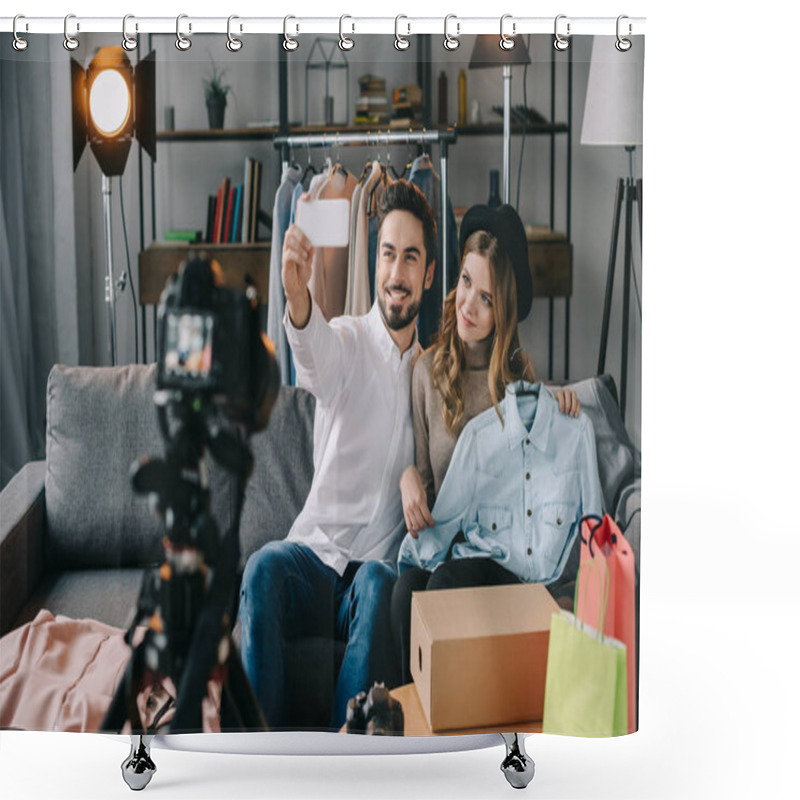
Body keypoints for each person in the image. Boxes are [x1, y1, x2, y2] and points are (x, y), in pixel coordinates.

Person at [239, 181, 437, 729]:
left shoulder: (431, 378)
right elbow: (314, 356)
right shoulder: (348, 340)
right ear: (375, 262)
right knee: (260, 569)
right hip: (312, 557)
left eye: (411, 258)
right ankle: (262, 762)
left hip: (368, 574)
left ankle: (346, 760)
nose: (397, 272)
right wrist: (299, 297)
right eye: (388, 253)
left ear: (428, 273)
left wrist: (412, 475)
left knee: (378, 581)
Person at [390, 204, 591, 685]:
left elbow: (540, 479)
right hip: (447, 543)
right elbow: (429, 483)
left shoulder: (520, 383)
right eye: (464, 283)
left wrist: (563, 399)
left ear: (503, 308)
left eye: (485, 298)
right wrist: (408, 480)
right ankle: (403, 723)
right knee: (404, 593)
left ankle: (447, 721)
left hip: (502, 558)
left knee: (442, 584)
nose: (468, 306)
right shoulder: (426, 373)